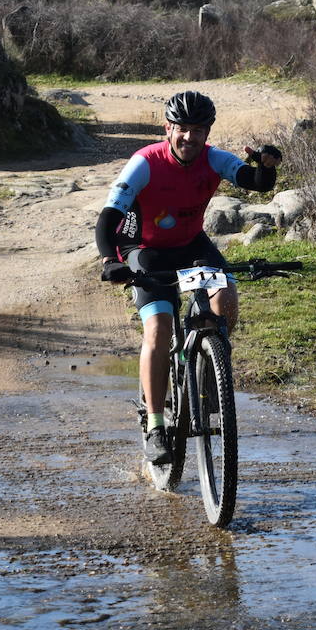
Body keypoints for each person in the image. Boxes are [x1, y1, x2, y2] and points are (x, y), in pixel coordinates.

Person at [94, 90, 282, 464]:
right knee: (159, 328)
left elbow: (256, 183)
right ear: (168, 128)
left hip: (191, 245)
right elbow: (108, 217)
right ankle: (155, 425)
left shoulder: (213, 159)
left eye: (198, 130)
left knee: (226, 296)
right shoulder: (145, 162)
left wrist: (266, 164)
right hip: (144, 250)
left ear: (207, 132)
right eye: (182, 129)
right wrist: (108, 260)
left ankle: (210, 372)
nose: (189, 138)